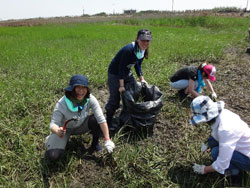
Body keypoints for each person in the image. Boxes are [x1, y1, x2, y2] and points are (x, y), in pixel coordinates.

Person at [45, 74, 115, 161]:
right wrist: (57, 131)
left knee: (95, 119)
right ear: (71, 89)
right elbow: (53, 124)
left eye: (84, 87)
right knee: (53, 156)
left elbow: (101, 119)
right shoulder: (62, 103)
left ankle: (95, 144)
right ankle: (52, 139)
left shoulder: (90, 99)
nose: (81, 91)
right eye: (77, 87)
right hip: (64, 130)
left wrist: (107, 140)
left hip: (80, 126)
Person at [190, 96, 250, 177]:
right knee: (212, 141)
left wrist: (204, 169)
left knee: (215, 152)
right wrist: (208, 144)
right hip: (243, 147)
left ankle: (235, 173)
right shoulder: (223, 113)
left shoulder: (225, 129)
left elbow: (222, 163)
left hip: (248, 159)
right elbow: (216, 135)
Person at [105, 28, 152, 128]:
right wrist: (121, 86)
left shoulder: (142, 51)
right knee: (115, 99)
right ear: (137, 39)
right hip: (115, 73)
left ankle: (127, 116)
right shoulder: (128, 50)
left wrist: (141, 78)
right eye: (143, 40)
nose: (145, 42)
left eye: (147, 40)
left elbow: (137, 65)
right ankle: (108, 122)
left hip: (126, 72)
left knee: (134, 90)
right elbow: (121, 68)